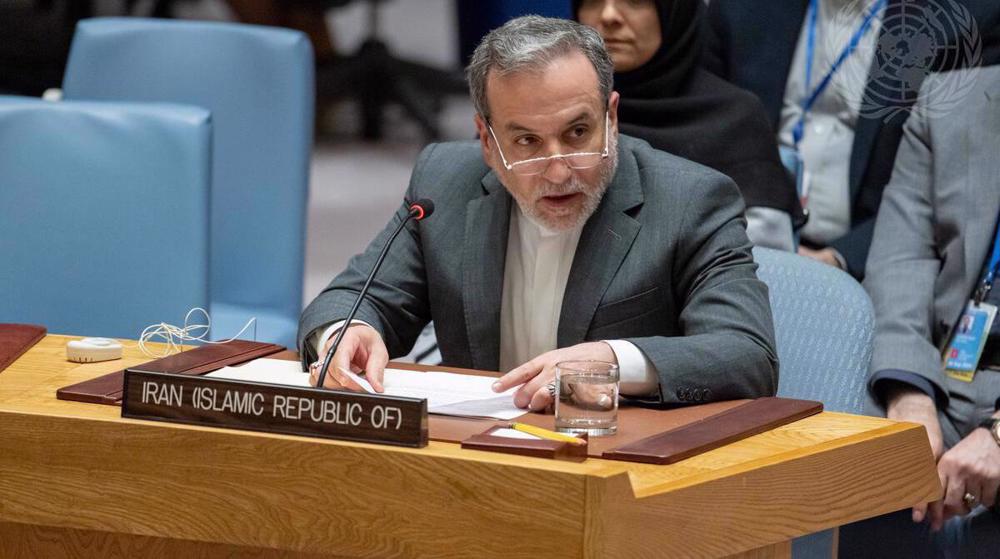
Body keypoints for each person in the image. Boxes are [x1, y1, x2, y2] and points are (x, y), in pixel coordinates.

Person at [298, 16, 778, 410]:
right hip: (472, 460)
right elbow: (355, 298)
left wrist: (614, 360)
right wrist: (347, 333)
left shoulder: (690, 198)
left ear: (611, 118)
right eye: (526, 141)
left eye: (577, 134)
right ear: (487, 142)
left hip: (615, 469)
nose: (556, 170)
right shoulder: (445, 181)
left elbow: (746, 354)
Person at [702, 0, 996, 279]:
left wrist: (841, 258)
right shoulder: (742, 7)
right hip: (736, 243)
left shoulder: (964, 21)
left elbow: (947, 188)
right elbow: (703, 131)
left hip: (872, 263)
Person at [838, 66, 1000, 558]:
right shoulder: (952, 100)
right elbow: (900, 258)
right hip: (941, 371)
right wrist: (909, 395)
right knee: (823, 487)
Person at [574, 0, 804, 251]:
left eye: (634, 1)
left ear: (675, 13)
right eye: (592, 0)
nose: (609, 15)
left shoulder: (733, 119)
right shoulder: (552, 116)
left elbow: (766, 265)